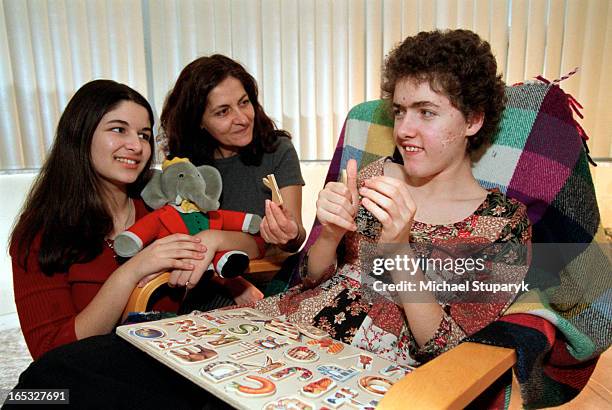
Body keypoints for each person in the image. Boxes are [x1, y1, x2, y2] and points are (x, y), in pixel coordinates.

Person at [252, 29, 531, 367]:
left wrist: (399, 251)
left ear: (472, 120)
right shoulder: (370, 177)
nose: (403, 130)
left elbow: (450, 350)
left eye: (426, 112)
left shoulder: (503, 225)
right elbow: (312, 278)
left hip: (363, 369)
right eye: (400, 111)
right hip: (288, 331)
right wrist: (330, 232)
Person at [9, 80, 208, 360]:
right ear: (81, 134)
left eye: (143, 134)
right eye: (118, 129)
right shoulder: (41, 233)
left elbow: (238, 240)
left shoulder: (161, 209)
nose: (136, 146)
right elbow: (50, 353)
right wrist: (132, 271)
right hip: (92, 378)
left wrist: (213, 242)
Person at [160, 54, 306, 307]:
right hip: (204, 288)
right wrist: (232, 283)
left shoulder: (277, 150)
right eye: (223, 112)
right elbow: (185, 246)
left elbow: (294, 241)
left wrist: (289, 233)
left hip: (270, 286)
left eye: (244, 102)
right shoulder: (184, 169)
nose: (242, 118)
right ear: (199, 122)